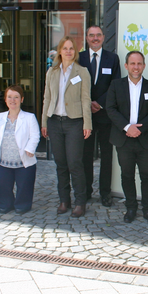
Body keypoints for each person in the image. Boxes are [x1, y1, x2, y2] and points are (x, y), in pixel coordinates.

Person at [106, 51, 148, 225]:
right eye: (132, 63)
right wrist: (127, 127)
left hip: (145, 140)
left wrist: (140, 129)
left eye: (139, 64)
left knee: (147, 175)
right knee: (127, 175)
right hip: (123, 139)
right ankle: (131, 208)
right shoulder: (116, 85)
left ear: (144, 66)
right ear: (126, 66)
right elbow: (111, 109)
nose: (136, 67)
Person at [42, 36, 92, 218]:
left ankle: (80, 202)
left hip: (74, 122)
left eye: (72, 48)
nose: (69, 51)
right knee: (60, 164)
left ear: (75, 52)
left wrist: (87, 123)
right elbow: (46, 98)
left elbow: (86, 99)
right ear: (60, 51)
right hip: (55, 122)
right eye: (65, 48)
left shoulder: (82, 71)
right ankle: (64, 200)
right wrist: (44, 122)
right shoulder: (52, 72)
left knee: (75, 164)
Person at [79, 25, 121, 207]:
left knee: (106, 156)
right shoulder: (78, 58)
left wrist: (99, 103)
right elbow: (75, 84)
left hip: (105, 115)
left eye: (98, 35)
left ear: (104, 37)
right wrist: (88, 103)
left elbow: (115, 85)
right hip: (84, 116)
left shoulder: (112, 58)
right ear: (86, 38)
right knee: (85, 155)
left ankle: (105, 192)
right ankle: (86, 190)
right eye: (91, 35)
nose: (95, 38)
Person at [0, 85, 40, 214]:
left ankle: (22, 205)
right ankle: (5, 204)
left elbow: (35, 136)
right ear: (5, 100)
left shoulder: (29, 117)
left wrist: (30, 149)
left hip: (23, 160)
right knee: (3, 185)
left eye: (16, 97)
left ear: (22, 99)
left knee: (24, 186)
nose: (13, 100)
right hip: (4, 160)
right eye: (10, 97)